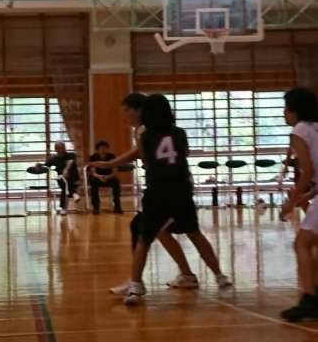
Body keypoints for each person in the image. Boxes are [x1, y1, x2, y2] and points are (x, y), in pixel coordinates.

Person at [96, 94, 231, 305]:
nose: (123, 116)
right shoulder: (179, 133)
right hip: (182, 187)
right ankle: (219, 276)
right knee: (193, 233)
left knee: (144, 237)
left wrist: (112, 164)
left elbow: (145, 158)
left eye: (126, 111)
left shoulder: (145, 134)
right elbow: (184, 153)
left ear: (142, 112)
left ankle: (136, 284)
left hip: (158, 189)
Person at [280, 87, 318, 322]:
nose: (284, 113)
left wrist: (291, 202)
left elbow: (308, 171)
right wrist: (309, 195)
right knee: (312, 244)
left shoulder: (300, 130)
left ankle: (309, 300)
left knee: (302, 243)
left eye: (286, 108)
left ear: (295, 110)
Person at [32, 141, 80, 216]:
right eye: (59, 148)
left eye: (63, 147)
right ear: (56, 149)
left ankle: (64, 208)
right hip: (61, 178)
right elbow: (46, 165)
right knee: (64, 185)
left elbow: (70, 162)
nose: (61, 149)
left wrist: (66, 169)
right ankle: (73, 193)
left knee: (66, 185)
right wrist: (39, 165)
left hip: (73, 178)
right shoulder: (54, 158)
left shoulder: (71, 155)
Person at [89, 140, 123, 214]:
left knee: (116, 182)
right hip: (97, 177)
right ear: (97, 150)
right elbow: (93, 172)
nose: (104, 150)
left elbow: (115, 172)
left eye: (105, 148)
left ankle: (117, 206)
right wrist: (100, 177)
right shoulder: (93, 157)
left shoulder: (112, 156)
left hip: (110, 177)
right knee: (93, 183)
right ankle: (96, 207)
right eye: (101, 148)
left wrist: (108, 177)